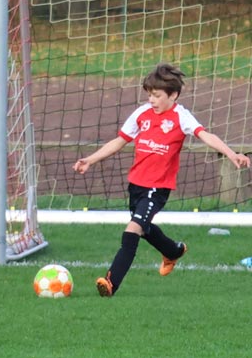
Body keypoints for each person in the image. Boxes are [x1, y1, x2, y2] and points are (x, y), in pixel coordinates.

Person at [73, 63, 250, 297]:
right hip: (136, 184)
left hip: (157, 188)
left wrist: (231, 154)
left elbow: (206, 135)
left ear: (173, 95)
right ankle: (173, 251)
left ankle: (110, 282)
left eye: (157, 96)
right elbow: (119, 141)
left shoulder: (181, 116)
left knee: (132, 231)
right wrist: (91, 159)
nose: (152, 100)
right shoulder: (141, 114)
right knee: (144, 228)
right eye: (149, 95)